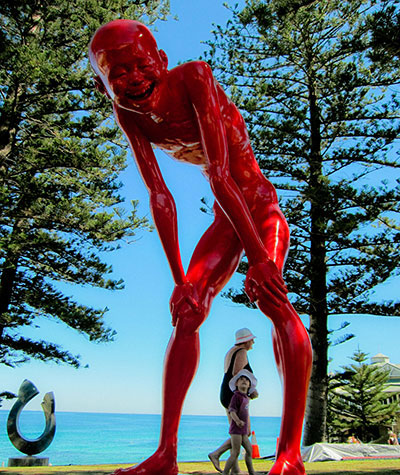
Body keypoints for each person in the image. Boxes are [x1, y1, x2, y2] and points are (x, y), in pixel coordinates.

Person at [89, 19, 312, 475]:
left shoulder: (194, 77)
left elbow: (220, 175)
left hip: (258, 209)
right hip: (224, 220)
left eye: (141, 66)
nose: (133, 80)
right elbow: (159, 196)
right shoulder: (128, 113)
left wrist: (261, 260)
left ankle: (289, 453)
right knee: (187, 312)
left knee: (275, 302)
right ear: (102, 83)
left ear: (162, 63)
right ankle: (165, 454)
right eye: (118, 75)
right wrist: (179, 283)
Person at [209, 328, 258, 474]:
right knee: (245, 432)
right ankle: (216, 454)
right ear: (246, 341)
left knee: (236, 432)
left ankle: (235, 470)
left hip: (226, 392)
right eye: (251, 340)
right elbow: (237, 373)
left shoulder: (231, 351)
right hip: (234, 395)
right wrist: (250, 390)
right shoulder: (241, 352)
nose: (253, 342)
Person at [222, 369, 258, 475]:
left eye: (247, 380)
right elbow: (232, 411)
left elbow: (255, 396)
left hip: (243, 430)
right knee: (235, 452)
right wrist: (237, 421)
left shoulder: (246, 397)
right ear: (236, 384)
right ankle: (225, 472)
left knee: (249, 450)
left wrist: (247, 427)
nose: (244, 381)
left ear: (249, 386)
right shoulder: (236, 396)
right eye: (241, 379)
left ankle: (251, 471)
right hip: (236, 430)